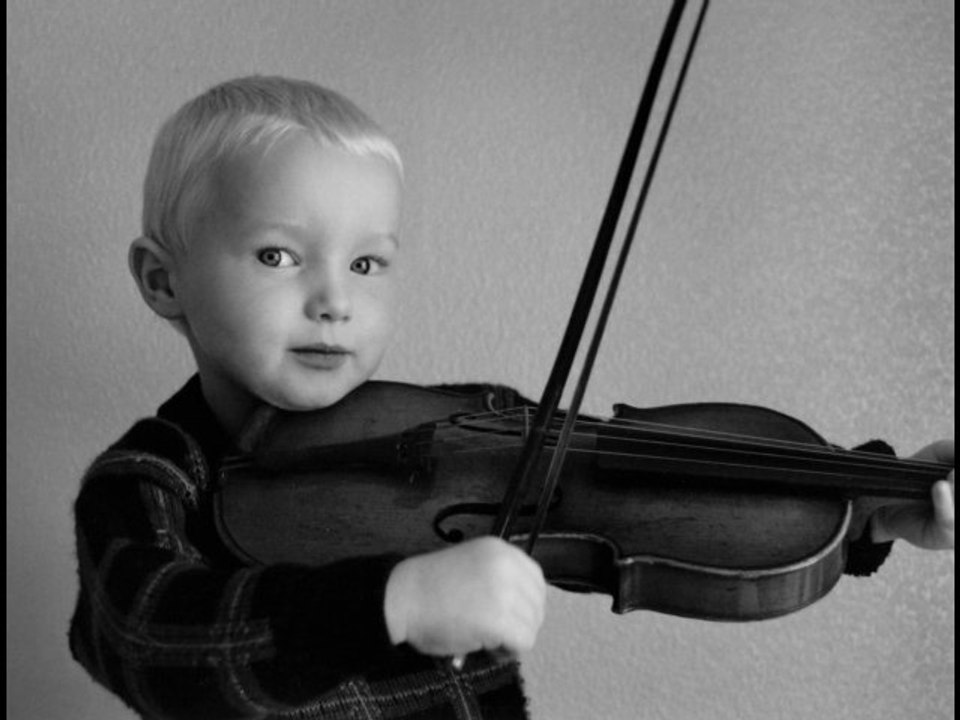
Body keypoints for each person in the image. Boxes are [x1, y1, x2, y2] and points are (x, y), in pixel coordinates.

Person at [69, 75, 955, 720]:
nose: (335, 299)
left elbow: (664, 512)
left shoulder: (470, 423)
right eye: (278, 255)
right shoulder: (153, 475)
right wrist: (394, 603)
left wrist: (871, 503)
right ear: (163, 280)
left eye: (368, 262)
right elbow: (148, 641)